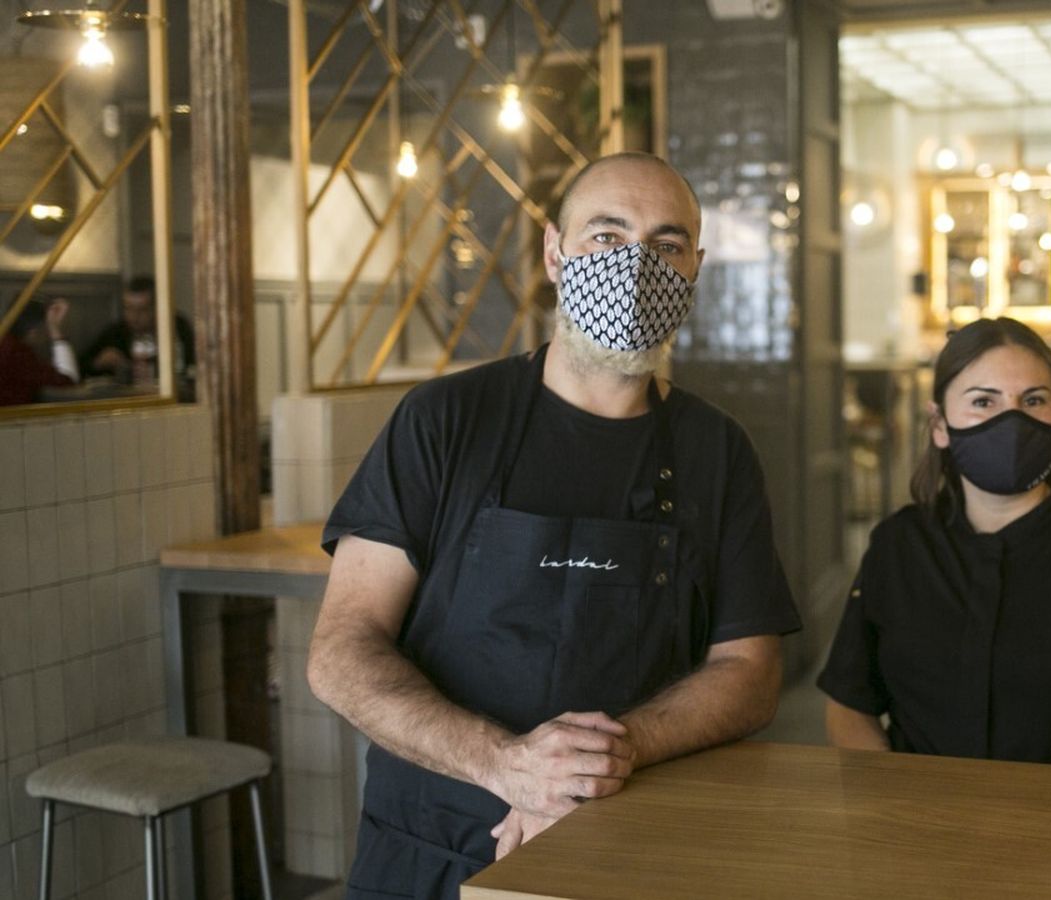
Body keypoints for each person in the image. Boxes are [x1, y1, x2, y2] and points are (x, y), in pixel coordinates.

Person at [307, 152, 801, 899]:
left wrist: (598, 763)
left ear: (694, 269)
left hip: (626, 840)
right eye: (606, 236)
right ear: (554, 250)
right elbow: (341, 653)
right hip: (429, 845)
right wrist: (508, 766)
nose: (635, 267)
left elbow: (752, 673)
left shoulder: (716, 451)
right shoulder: (443, 421)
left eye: (666, 246)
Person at [817, 317, 1051, 768]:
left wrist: (1016, 830)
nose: (1012, 420)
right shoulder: (897, 545)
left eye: (1034, 400)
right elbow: (848, 707)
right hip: (912, 825)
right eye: (983, 401)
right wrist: (899, 808)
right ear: (940, 426)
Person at [79, 275, 195, 387]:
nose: (134, 316)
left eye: (142, 310)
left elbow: (189, 366)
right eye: (128, 308)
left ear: (157, 308)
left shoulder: (176, 326)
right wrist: (98, 363)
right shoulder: (117, 331)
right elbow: (81, 365)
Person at [0, 297, 78, 406]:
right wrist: (56, 331)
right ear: (33, 332)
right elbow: (69, 384)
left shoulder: (7, 344)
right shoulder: (19, 355)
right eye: (45, 328)